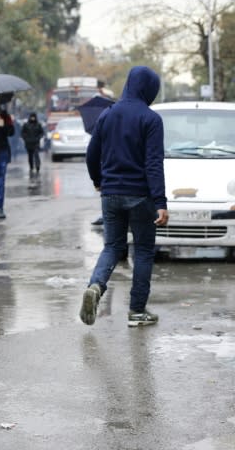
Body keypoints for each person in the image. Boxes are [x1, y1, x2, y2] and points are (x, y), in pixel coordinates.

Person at [79, 65, 169, 328]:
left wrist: (98, 181)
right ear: (149, 88)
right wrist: (161, 202)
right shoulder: (151, 119)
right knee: (142, 251)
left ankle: (96, 285)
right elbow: (154, 163)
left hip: (111, 194)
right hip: (141, 196)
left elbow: (91, 154)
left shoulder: (107, 115)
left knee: (112, 247)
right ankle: (137, 311)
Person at [21, 112, 45, 177]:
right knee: (30, 156)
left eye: (34, 117)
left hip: (36, 143)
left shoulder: (38, 125)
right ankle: (31, 166)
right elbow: (22, 133)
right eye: (32, 117)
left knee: (36, 154)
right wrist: (25, 138)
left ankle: (37, 166)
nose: (33, 118)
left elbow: (42, 132)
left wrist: (39, 137)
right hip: (28, 143)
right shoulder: (26, 125)